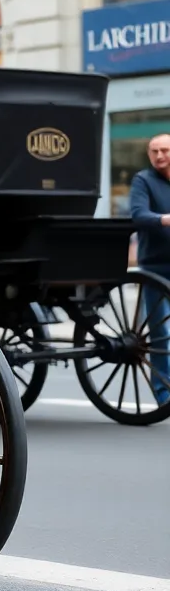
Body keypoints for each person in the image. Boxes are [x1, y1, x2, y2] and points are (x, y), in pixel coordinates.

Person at [128, 132, 170, 406]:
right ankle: (164, 391)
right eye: (154, 151)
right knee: (159, 333)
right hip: (155, 267)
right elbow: (139, 215)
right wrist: (165, 219)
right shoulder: (143, 180)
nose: (159, 156)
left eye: (165, 150)